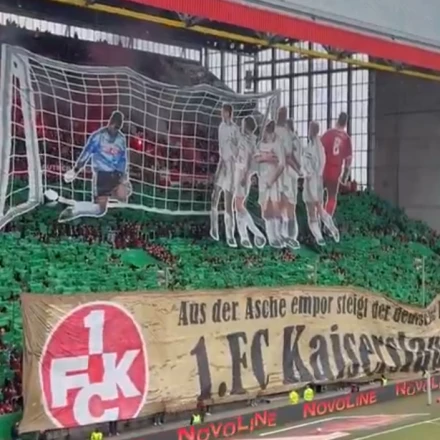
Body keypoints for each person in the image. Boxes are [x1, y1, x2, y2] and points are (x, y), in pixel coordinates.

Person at [60, 110, 131, 222]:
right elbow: (86, 152)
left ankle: (111, 196)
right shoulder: (98, 136)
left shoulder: (121, 139)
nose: (114, 130)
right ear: (109, 123)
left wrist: (123, 175)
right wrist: (76, 170)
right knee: (100, 210)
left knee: (125, 194)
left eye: (117, 128)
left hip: (116, 174)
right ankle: (76, 210)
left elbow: (123, 158)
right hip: (102, 175)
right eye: (113, 126)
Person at [302, 121, 340, 245]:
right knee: (317, 207)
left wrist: (306, 172)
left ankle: (322, 234)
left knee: (314, 208)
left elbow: (308, 166)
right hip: (317, 180)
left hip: (312, 180)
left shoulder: (314, 147)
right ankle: (325, 232)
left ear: (312, 130)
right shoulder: (317, 146)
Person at [233, 116, 266, 249]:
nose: (240, 126)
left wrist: (245, 176)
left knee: (239, 205)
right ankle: (244, 237)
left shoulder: (251, 143)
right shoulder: (246, 139)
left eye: (242, 124)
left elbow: (249, 162)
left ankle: (257, 234)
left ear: (246, 127)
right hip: (240, 172)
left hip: (243, 174)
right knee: (238, 206)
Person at [210, 103, 240, 247]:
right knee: (215, 195)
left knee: (228, 202)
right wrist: (220, 165)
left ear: (228, 113)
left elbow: (238, 149)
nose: (221, 114)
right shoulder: (221, 127)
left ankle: (230, 235)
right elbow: (221, 147)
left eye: (223, 112)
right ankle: (214, 228)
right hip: (222, 163)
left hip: (232, 166)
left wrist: (233, 146)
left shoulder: (235, 129)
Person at [254, 120, 285, 248]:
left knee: (275, 207)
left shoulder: (278, 144)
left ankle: (278, 234)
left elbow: (281, 164)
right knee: (265, 207)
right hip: (263, 179)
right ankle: (271, 236)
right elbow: (256, 158)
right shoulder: (260, 144)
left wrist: (271, 180)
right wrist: (267, 157)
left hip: (273, 180)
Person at [276, 108, 300, 250]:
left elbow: (289, 157)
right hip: (286, 174)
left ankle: (288, 236)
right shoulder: (291, 137)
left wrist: (298, 169)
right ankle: (288, 236)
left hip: (286, 174)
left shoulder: (287, 136)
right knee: (287, 205)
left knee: (285, 205)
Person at [321, 112, 353, 217]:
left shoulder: (328, 134)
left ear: (337, 120)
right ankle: (327, 218)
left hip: (323, 169)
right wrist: (344, 178)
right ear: (345, 124)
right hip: (335, 172)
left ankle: (316, 216)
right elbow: (348, 161)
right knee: (332, 197)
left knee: (317, 194)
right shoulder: (346, 139)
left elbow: (318, 150)